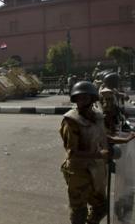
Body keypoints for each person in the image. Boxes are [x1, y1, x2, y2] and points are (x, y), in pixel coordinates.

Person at [60, 81, 135, 224]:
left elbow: (103, 136)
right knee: (79, 212)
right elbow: (73, 153)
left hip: (96, 169)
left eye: (85, 98)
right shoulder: (71, 121)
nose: (81, 101)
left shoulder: (97, 117)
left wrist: (123, 140)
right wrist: (99, 155)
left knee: (101, 208)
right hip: (78, 172)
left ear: (92, 99)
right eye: (78, 98)